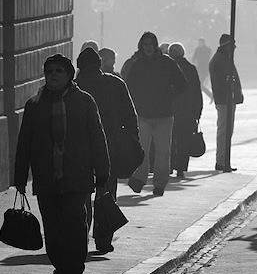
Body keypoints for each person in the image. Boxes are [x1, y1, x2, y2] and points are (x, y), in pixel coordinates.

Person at [14, 54, 110, 274]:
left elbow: (97, 138)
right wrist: (19, 176)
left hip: (77, 176)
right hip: (46, 176)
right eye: (49, 71)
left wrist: (103, 170)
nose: (53, 75)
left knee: (76, 224)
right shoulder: (34, 104)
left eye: (59, 71)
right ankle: (60, 271)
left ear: (69, 75)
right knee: (53, 228)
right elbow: (25, 141)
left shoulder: (84, 101)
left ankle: (75, 270)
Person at [75, 47, 140, 253]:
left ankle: (80, 237)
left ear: (79, 65)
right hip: (109, 146)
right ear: (99, 63)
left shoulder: (74, 86)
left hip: (80, 149)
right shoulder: (115, 83)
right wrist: (132, 140)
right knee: (106, 193)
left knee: (81, 195)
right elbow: (130, 116)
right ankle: (103, 239)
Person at [125, 31, 188, 196]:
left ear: (155, 45)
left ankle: (159, 184)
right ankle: (139, 179)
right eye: (145, 45)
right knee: (142, 149)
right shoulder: (137, 65)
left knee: (162, 151)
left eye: (150, 44)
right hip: (144, 114)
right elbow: (129, 87)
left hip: (163, 115)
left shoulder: (167, 63)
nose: (148, 48)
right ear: (141, 46)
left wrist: (168, 95)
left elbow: (182, 83)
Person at [209, 34, 244, 172]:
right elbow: (223, 83)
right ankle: (222, 160)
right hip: (225, 101)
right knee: (225, 130)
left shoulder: (221, 59)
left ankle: (223, 159)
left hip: (225, 100)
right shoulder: (221, 60)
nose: (235, 47)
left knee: (226, 130)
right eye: (232, 44)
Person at [168, 42, 203, 177]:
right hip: (188, 111)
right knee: (184, 140)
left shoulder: (167, 68)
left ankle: (170, 165)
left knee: (170, 139)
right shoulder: (191, 68)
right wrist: (198, 111)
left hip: (170, 109)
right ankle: (181, 168)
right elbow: (196, 91)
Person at [192, 37, 213, 101]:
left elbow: (206, 59)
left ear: (204, 43)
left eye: (200, 42)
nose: (199, 44)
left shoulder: (208, 49)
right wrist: (195, 61)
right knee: (199, 84)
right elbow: (193, 58)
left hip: (204, 69)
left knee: (200, 84)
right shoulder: (197, 49)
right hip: (198, 69)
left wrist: (198, 61)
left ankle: (210, 96)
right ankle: (211, 96)